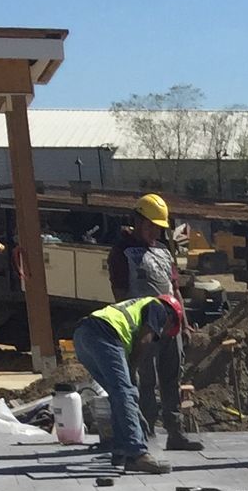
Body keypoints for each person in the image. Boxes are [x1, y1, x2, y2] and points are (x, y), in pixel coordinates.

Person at [107, 193, 202, 454]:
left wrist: (184, 322)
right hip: (143, 327)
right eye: (150, 226)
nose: (154, 232)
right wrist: (130, 326)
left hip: (170, 325)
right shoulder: (122, 252)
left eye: (158, 228)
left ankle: (176, 433)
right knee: (144, 380)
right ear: (137, 221)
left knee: (172, 378)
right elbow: (119, 292)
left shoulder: (162, 251)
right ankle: (144, 434)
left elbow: (174, 288)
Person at [71, 293, 184, 474]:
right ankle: (137, 454)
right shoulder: (158, 308)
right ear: (171, 316)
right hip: (104, 334)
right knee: (126, 393)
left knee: (118, 395)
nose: (162, 333)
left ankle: (120, 451)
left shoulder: (137, 305)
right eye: (168, 328)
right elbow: (145, 340)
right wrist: (132, 369)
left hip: (83, 335)